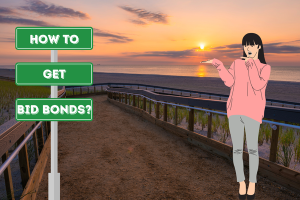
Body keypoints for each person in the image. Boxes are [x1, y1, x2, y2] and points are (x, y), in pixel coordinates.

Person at [201, 33, 271, 200]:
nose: (248, 49)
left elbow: (258, 85)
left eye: (252, 46)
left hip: (253, 112)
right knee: (237, 149)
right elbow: (229, 82)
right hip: (235, 111)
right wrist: (219, 66)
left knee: (253, 149)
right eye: (246, 46)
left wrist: (251, 65)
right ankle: (241, 182)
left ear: (259, 47)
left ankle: (252, 182)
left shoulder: (264, 68)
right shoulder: (236, 63)